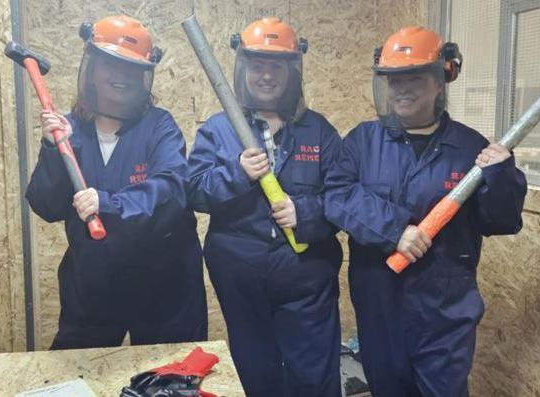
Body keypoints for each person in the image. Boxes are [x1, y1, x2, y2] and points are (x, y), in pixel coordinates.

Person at [324, 26, 528, 396]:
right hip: (380, 306)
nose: (402, 89)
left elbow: (499, 220)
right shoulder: (362, 142)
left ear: (440, 81)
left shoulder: (469, 148)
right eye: (393, 79)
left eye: (414, 77)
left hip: (445, 314)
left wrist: (503, 177)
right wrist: (395, 230)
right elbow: (337, 195)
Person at [26, 15, 207, 350]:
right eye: (110, 64)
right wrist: (53, 150)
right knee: (79, 376)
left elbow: (170, 191)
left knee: (170, 379)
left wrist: (108, 203)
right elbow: (47, 206)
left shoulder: (160, 127)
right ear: (92, 69)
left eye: (130, 68)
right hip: (94, 285)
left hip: (164, 287)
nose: (120, 76)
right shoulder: (69, 132)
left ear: (144, 77)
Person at [187, 17, 343, 397]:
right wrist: (235, 173)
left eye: (276, 66)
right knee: (256, 373)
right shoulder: (219, 129)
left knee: (313, 374)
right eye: (258, 65)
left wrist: (305, 214)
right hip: (240, 276)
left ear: (292, 72)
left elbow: (342, 195)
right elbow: (193, 190)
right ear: (243, 69)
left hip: (307, 276)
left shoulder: (317, 130)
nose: (267, 75)